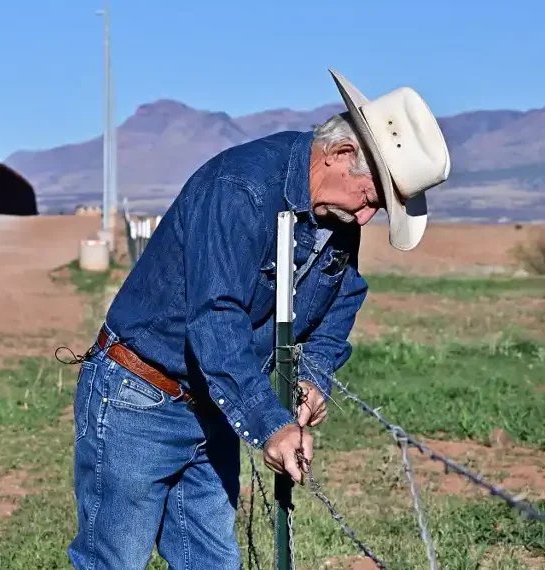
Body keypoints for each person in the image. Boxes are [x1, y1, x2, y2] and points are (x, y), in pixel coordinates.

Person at [67, 69, 451, 569]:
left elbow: (342, 296)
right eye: (371, 199)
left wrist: (312, 378)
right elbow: (216, 317)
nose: (364, 219)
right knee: (114, 560)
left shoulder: (334, 212)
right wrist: (269, 424)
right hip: (139, 397)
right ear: (338, 157)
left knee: (213, 560)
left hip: (211, 402)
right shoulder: (241, 190)